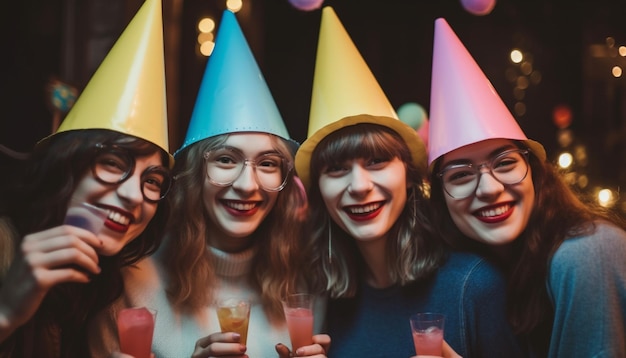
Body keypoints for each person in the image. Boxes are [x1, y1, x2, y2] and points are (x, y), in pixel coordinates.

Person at [88, 9, 329, 358]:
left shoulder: (308, 289)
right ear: (194, 175)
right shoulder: (126, 286)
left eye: (267, 163)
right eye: (226, 159)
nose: (248, 185)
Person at [294, 7, 526, 358]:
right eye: (337, 169)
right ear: (320, 191)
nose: (358, 185)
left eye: (377, 161)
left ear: (409, 175)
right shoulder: (325, 302)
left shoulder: (474, 286)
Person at [427, 18, 626, 357]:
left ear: (534, 172)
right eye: (460, 175)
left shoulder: (586, 253)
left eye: (505, 163)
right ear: (440, 197)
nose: (489, 188)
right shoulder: (484, 274)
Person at [0, 0, 173, 356]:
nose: (134, 195)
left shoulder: (106, 286)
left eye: (152, 181)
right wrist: (5, 312)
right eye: (113, 163)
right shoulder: (4, 245)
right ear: (68, 166)